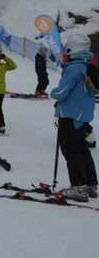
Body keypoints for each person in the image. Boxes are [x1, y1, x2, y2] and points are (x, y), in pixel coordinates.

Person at [50, 34, 98, 202]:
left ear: (72, 49)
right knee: (82, 149)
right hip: (82, 115)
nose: (65, 52)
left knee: (71, 150)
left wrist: (53, 93)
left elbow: (62, 92)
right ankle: (91, 185)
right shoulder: (88, 67)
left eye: (67, 49)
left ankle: (78, 187)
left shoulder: (74, 68)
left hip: (70, 115)